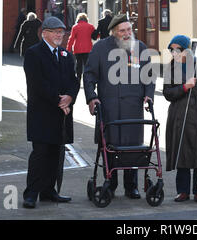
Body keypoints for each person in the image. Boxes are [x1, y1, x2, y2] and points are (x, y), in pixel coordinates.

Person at [83, 13, 155, 199]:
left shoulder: (140, 48)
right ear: (114, 32)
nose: (126, 34)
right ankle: (110, 183)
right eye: (122, 31)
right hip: (110, 108)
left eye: (129, 30)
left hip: (133, 108)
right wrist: (91, 98)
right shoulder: (100, 48)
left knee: (133, 147)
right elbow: (89, 75)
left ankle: (132, 186)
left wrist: (148, 95)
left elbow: (149, 77)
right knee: (111, 146)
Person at [22, 16, 80, 209]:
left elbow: (74, 80)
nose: (60, 35)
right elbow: (37, 83)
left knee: (56, 154)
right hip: (42, 113)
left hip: (61, 115)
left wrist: (70, 97)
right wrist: (59, 100)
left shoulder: (65, 54)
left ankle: (49, 191)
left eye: (62, 32)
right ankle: (31, 194)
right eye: (55, 31)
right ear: (44, 33)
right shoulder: (33, 54)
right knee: (40, 154)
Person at [163, 35, 197, 203]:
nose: (174, 52)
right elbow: (167, 93)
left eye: (177, 49)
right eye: (172, 49)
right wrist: (184, 87)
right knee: (182, 155)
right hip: (178, 118)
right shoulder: (170, 68)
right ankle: (183, 191)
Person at [66, 13, 96, 85]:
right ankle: (87, 80)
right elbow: (96, 35)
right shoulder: (90, 26)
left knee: (78, 65)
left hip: (78, 49)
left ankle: (78, 80)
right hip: (88, 48)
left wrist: (68, 49)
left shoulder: (75, 27)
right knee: (87, 65)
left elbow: (71, 38)